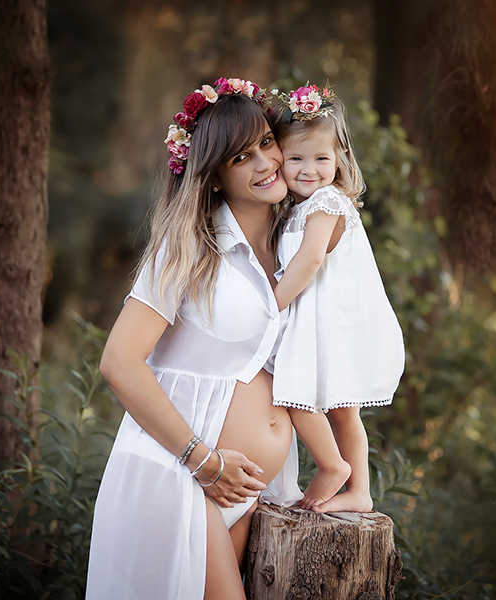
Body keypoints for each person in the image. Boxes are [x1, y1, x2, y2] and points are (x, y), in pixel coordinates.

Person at [85, 77, 302, 600]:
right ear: (214, 178)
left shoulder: (296, 244)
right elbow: (119, 361)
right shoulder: (189, 251)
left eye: (266, 144)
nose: (265, 163)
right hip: (184, 477)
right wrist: (203, 461)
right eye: (241, 158)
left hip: (248, 492)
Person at [270, 84, 406, 513]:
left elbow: (310, 261)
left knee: (295, 395)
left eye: (321, 159)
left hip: (329, 323)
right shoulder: (294, 209)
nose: (309, 169)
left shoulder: (328, 201)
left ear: (340, 158)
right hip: (312, 321)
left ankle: (339, 473)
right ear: (280, 161)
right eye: (296, 159)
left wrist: (269, 304)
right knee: (336, 410)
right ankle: (355, 487)